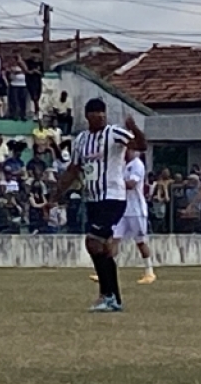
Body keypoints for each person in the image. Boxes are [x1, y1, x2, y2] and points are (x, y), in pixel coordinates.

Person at [54, 99, 147, 313]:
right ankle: (114, 298)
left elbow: (141, 145)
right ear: (88, 116)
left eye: (103, 112)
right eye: (96, 113)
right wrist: (55, 196)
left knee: (93, 242)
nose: (101, 116)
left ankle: (107, 295)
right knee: (104, 248)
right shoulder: (81, 140)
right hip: (93, 198)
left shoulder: (114, 133)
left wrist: (134, 128)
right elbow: (73, 169)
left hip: (113, 197)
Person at [107, 149, 156, 284]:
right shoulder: (122, 164)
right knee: (114, 239)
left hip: (136, 210)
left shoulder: (137, 165)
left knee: (140, 241)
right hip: (122, 209)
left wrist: (115, 182)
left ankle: (149, 272)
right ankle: (107, 272)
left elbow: (131, 184)